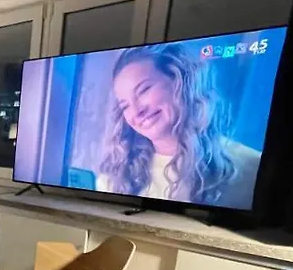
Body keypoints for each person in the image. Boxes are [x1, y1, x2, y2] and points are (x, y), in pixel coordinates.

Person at [96, 44, 261, 209]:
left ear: (179, 80)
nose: (137, 112)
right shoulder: (113, 179)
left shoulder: (253, 167)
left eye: (144, 90)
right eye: (125, 106)